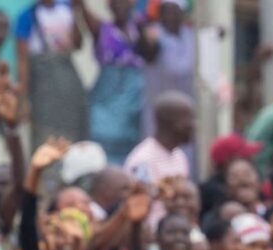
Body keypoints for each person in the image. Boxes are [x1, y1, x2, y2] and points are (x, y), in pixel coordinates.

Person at [78, 0, 154, 163]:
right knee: (102, 144)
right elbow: (82, 8)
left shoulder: (139, 28)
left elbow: (150, 54)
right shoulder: (101, 29)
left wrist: (141, 29)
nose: (120, 6)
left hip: (133, 101)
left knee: (132, 148)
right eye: (115, 2)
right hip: (106, 98)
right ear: (109, 6)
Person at [16, 0, 87, 148]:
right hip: (43, 89)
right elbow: (23, 62)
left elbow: (78, 44)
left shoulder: (66, 9)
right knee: (45, 135)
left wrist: (77, 12)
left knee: (74, 133)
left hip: (69, 84)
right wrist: (22, 100)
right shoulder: (27, 17)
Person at [141, 0, 195, 142]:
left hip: (186, 117)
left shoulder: (191, 36)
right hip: (158, 117)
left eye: (174, 10)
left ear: (182, 12)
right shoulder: (153, 34)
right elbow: (148, 51)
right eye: (165, 10)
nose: (169, 15)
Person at [124, 91, 194, 186]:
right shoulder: (142, 161)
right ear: (171, 122)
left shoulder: (179, 156)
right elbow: (142, 199)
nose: (193, 125)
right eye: (189, 119)